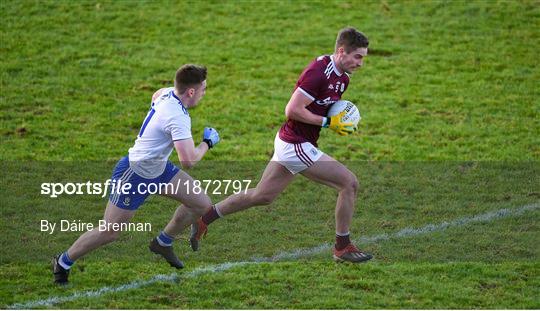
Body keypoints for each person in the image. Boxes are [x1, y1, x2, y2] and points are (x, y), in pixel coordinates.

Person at [189, 27, 373, 263]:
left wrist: (343, 119)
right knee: (349, 183)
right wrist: (328, 122)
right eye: (357, 56)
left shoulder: (343, 78)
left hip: (293, 142)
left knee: (262, 196)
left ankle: (204, 218)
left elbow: (322, 106)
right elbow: (292, 110)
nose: (360, 63)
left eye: (363, 58)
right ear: (341, 51)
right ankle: (342, 247)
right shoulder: (319, 72)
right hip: (295, 144)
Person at [52, 64, 220, 284]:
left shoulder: (167, 92)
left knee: (201, 204)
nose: (204, 94)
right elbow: (188, 160)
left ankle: (163, 242)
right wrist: (207, 142)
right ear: (191, 92)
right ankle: (63, 262)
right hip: (135, 174)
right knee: (109, 232)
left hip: (158, 169)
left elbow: (155, 95)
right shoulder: (178, 117)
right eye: (203, 89)